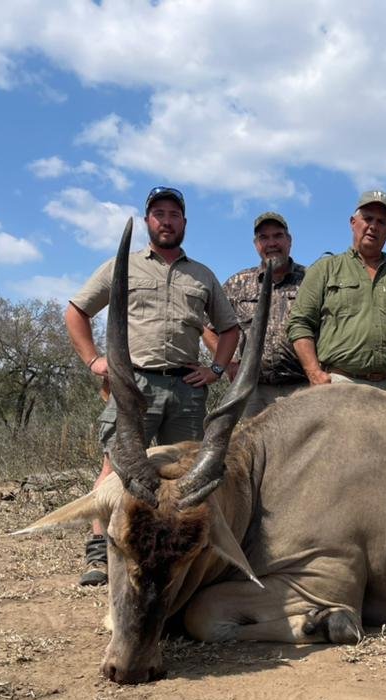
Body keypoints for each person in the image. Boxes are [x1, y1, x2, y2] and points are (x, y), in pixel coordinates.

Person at [65, 186, 240, 585]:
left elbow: (229, 329)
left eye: (173, 214)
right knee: (115, 469)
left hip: (185, 386)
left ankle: (174, 550)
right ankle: (99, 555)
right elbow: (76, 311)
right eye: (158, 213)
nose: (166, 220)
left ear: (184, 222)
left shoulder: (202, 275)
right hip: (133, 384)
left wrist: (214, 368)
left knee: (185, 476)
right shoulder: (121, 266)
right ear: (148, 221)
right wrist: (94, 359)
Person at [287, 190, 386, 390]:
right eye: (367, 218)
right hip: (338, 383)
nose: (373, 226)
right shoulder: (325, 268)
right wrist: (314, 373)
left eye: (381, 222)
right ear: (353, 222)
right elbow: (299, 323)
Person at [202, 211, 306, 417]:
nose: (271, 243)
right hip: (252, 391)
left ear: (289, 240)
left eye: (278, 236)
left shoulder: (310, 279)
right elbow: (207, 326)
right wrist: (227, 364)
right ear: (256, 244)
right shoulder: (238, 283)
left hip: (300, 388)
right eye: (264, 238)